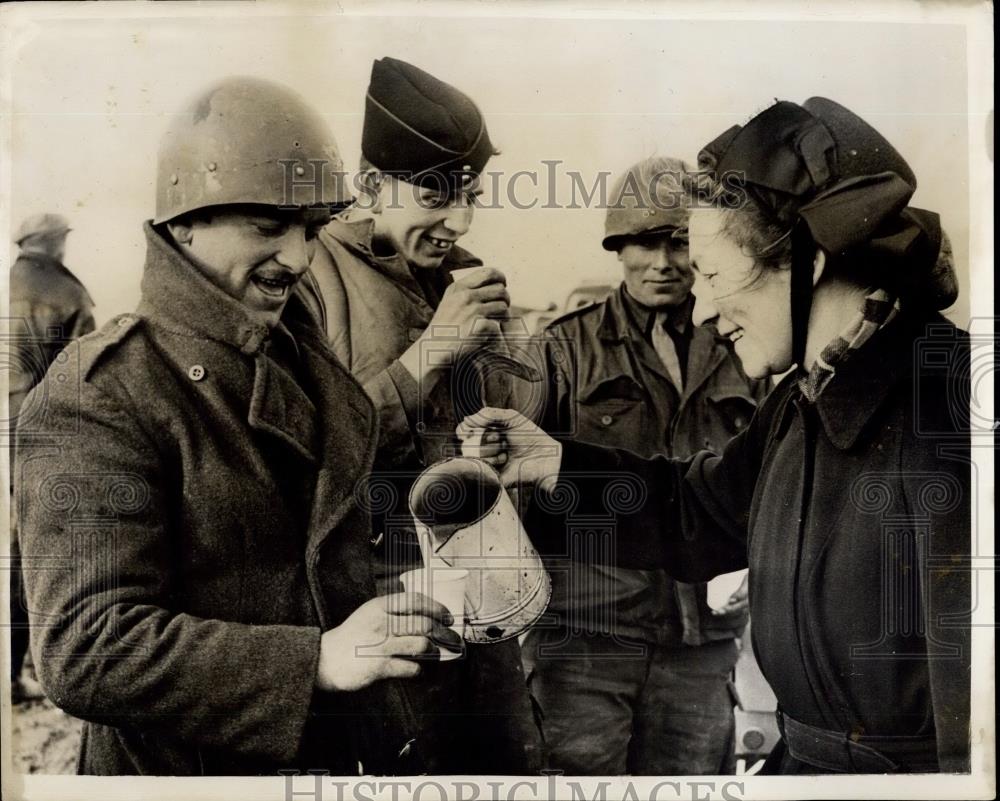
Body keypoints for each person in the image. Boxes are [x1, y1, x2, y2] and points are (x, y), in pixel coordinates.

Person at [460, 97, 971, 774]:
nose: (700, 309)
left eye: (711, 271)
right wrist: (553, 461)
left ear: (809, 262)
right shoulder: (799, 400)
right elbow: (695, 511)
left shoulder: (951, 405)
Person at [15, 76, 470, 776]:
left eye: (312, 229)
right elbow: (86, 645)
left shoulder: (302, 359)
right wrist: (313, 661)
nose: (297, 255)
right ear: (185, 222)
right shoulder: (101, 393)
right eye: (268, 225)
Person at [304, 56, 541, 772]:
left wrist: (499, 429)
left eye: (469, 193)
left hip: (486, 603)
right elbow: (313, 458)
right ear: (373, 186)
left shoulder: (463, 275)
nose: (459, 219)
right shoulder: (313, 276)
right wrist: (434, 348)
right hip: (379, 621)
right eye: (437, 193)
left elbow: (507, 415)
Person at [514, 156, 768, 775]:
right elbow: (512, 482)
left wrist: (752, 573)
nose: (663, 262)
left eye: (678, 243)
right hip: (587, 638)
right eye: (645, 242)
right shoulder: (560, 349)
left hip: (701, 644)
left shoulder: (745, 341)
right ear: (618, 247)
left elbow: (766, 483)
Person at [7, 213, 95, 703]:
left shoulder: (7, 281)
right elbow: (82, 380)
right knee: (37, 554)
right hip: (40, 440)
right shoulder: (69, 294)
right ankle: (41, 669)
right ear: (53, 242)